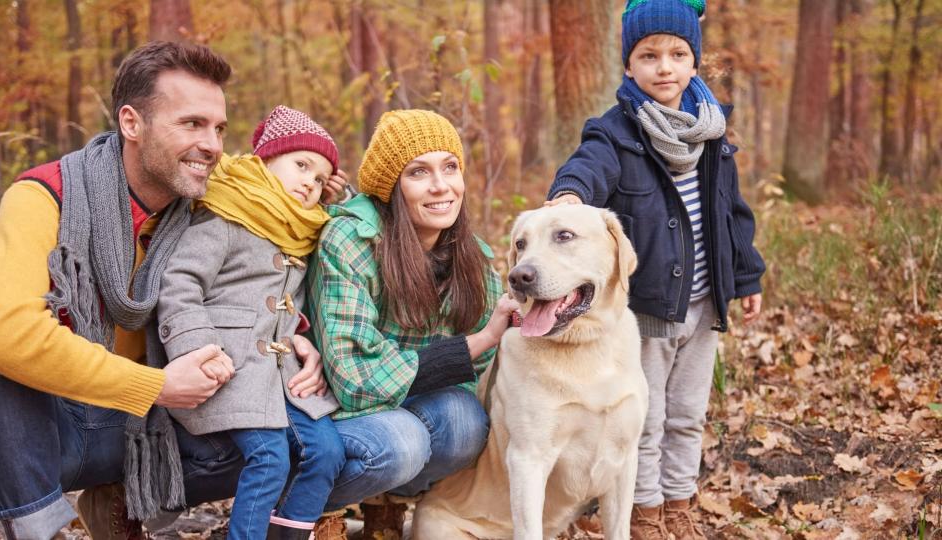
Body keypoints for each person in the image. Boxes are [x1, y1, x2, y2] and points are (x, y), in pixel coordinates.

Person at [0, 42, 332, 539]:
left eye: (219, 128)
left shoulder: (221, 205)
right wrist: (154, 385)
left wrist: (301, 335)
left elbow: (282, 253)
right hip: (51, 427)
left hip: (151, 429)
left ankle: (127, 499)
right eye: (191, 124)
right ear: (131, 123)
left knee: (314, 440)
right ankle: (42, 529)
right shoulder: (47, 196)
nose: (212, 145)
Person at [546, 1, 766, 538]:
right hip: (647, 308)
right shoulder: (616, 132)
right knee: (645, 418)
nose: (663, 67)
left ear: (695, 62)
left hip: (704, 301)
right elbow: (588, 165)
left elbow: (730, 213)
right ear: (628, 65)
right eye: (649, 55)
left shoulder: (712, 133)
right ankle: (643, 513)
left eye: (677, 54)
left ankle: (679, 505)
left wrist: (746, 277)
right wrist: (570, 194)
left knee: (689, 414)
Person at [306, 109, 520, 540]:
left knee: (464, 424)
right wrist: (477, 342)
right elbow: (353, 379)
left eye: (450, 167)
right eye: (419, 172)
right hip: (332, 410)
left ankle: (384, 504)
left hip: (400, 400)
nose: (441, 186)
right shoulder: (350, 241)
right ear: (391, 186)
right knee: (404, 442)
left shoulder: (470, 258)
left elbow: (469, 376)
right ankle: (318, 506)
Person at [155, 105, 346, 540]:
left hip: (279, 375)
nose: (309, 184)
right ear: (264, 160)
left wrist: (300, 336)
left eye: (319, 179)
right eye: (300, 165)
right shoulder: (225, 215)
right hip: (228, 366)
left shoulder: (302, 229)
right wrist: (196, 348)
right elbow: (180, 282)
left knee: (328, 451)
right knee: (270, 458)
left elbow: (288, 302)